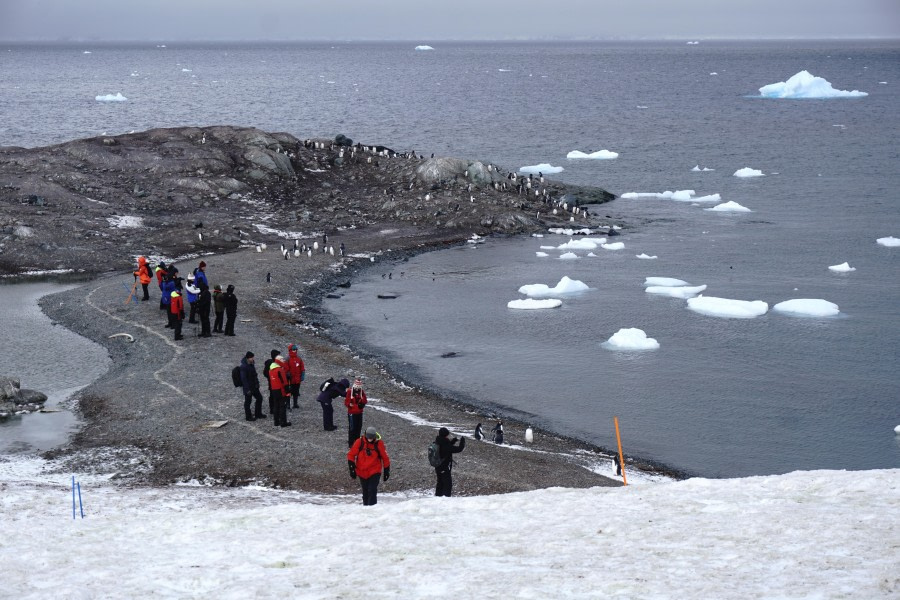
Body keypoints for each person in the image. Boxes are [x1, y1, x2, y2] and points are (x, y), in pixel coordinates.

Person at [347, 426, 390, 506]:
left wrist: (387, 470)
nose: (370, 439)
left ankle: (372, 510)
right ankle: (366, 510)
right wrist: (352, 469)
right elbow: (351, 455)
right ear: (365, 435)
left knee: (372, 490)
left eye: (371, 438)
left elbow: (385, 457)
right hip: (361, 471)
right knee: (365, 491)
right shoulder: (359, 442)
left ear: (374, 437)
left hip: (375, 471)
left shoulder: (379, 444)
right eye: (368, 437)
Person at [434, 427, 466, 497]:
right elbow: (459, 449)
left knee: (440, 483)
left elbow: (447, 446)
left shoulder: (438, 441)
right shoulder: (445, 444)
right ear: (446, 435)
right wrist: (462, 441)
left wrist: (454, 440)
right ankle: (446, 500)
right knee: (447, 484)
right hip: (444, 467)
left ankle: (437, 498)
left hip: (437, 466)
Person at [239, 351, 266, 421]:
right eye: (251, 357)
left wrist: (257, 383)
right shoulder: (243, 367)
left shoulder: (251, 364)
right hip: (248, 387)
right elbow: (243, 379)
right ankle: (248, 417)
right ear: (248, 358)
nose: (253, 359)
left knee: (259, 398)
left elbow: (255, 375)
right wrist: (247, 389)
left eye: (253, 357)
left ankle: (258, 414)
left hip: (254, 386)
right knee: (248, 402)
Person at [267, 354, 290, 427]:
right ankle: (283, 422)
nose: (284, 360)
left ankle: (276, 422)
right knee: (282, 406)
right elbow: (284, 382)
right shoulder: (280, 370)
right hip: (281, 390)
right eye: (282, 359)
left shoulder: (271, 370)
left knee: (276, 406)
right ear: (279, 361)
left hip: (274, 390)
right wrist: (288, 391)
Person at [345, 378, 368, 447]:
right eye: (356, 386)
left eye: (359, 387)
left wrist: (362, 401)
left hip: (359, 413)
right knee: (352, 428)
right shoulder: (350, 392)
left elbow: (365, 400)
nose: (357, 388)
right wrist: (349, 404)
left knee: (358, 427)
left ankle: (357, 442)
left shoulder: (361, 392)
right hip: (352, 413)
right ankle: (351, 443)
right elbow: (346, 402)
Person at [286, 344, 306, 409]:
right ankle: (288, 404)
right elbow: (286, 368)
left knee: (296, 392)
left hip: (297, 379)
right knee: (288, 392)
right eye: (293, 349)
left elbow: (302, 367)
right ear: (290, 350)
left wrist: (302, 375)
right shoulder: (287, 359)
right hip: (290, 379)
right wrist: (288, 374)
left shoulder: (299, 358)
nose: (295, 350)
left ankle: (295, 404)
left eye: (295, 349)